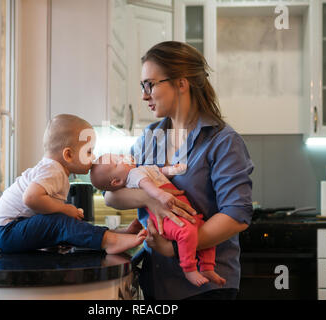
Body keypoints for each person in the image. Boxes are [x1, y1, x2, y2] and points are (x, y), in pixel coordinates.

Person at [103, 41, 254, 300]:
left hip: (206, 286)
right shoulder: (150, 138)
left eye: (150, 84)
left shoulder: (223, 141)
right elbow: (112, 194)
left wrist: (176, 248)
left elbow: (236, 215)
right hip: (156, 281)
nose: (144, 94)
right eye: (142, 86)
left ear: (181, 83)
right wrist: (150, 197)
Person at [0, 114, 146, 254]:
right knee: (60, 221)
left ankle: (112, 235)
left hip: (4, 231)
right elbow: (30, 198)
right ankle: (110, 241)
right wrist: (64, 208)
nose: (93, 156)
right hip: (3, 232)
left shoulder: (53, 171)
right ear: (68, 155)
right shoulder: (53, 170)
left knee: (64, 224)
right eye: (89, 151)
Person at [90, 153, 226, 287]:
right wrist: (159, 194)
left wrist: (173, 170)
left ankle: (207, 267)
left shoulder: (140, 169)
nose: (122, 156)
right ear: (117, 181)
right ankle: (189, 269)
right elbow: (146, 184)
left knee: (204, 230)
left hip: (181, 212)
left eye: (118, 156)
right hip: (167, 216)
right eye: (117, 162)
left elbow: (159, 172)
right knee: (187, 233)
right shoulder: (133, 175)